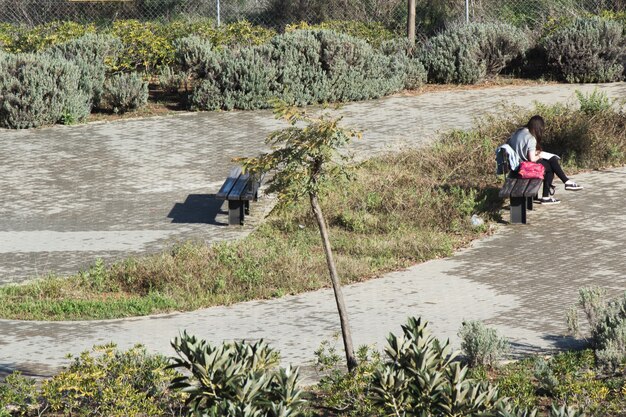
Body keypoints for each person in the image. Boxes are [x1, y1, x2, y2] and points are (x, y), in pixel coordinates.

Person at [507, 115, 583, 205]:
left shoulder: (520, 131)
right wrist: (539, 155)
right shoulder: (531, 138)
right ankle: (549, 194)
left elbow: (518, 147)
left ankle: (566, 182)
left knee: (552, 160)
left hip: (515, 163)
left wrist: (535, 153)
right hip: (523, 167)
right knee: (550, 167)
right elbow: (532, 159)